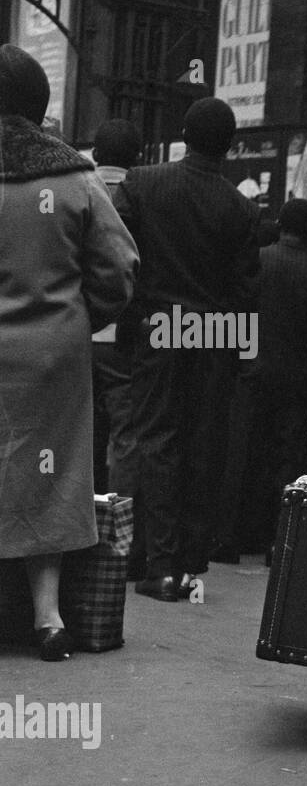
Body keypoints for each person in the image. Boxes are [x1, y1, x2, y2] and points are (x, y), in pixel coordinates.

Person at [0, 45, 138, 659]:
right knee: (49, 475)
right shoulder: (75, 177)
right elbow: (120, 267)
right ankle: (48, 617)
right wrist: (78, 318)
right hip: (53, 355)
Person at [114, 97, 261, 602]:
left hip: (159, 326)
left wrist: (132, 318)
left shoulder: (142, 184)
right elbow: (246, 293)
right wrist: (240, 354)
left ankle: (154, 561)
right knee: (202, 444)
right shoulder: (242, 208)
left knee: (157, 440)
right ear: (231, 146)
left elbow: (119, 257)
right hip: (212, 334)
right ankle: (184, 565)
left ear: (183, 134)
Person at [248, 199, 307, 535]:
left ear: (280, 224)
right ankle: (278, 531)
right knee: (287, 456)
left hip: (252, 371)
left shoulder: (257, 261)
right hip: (298, 379)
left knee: (248, 450)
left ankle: (239, 533)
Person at [89, 119, 144, 581]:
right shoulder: (144, 195)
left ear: (95, 153)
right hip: (126, 337)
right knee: (126, 438)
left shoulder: (77, 188)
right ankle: (117, 539)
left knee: (82, 434)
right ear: (138, 157)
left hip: (77, 333)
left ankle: (79, 529)